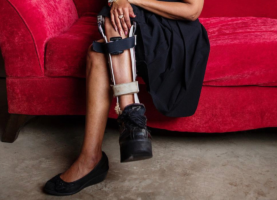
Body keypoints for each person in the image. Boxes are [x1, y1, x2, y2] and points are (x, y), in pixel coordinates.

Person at [43, 0, 210, 196]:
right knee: (109, 26)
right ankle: (123, 125)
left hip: (178, 31)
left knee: (99, 49)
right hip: (135, 24)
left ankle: (119, 128)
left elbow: (192, 11)